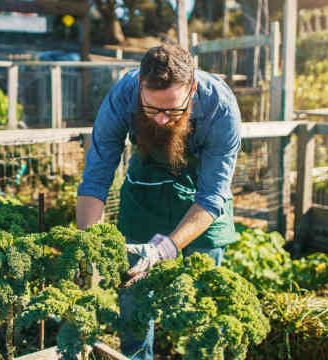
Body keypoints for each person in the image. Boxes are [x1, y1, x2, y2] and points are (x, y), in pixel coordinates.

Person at [75, 43, 241, 360]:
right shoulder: (123, 96)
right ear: (140, 87)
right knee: (134, 293)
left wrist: (163, 250)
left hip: (201, 199)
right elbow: (96, 177)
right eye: (152, 109)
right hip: (146, 188)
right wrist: (89, 247)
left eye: (173, 110)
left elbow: (212, 195)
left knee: (202, 298)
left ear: (191, 90)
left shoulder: (221, 107)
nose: (162, 119)